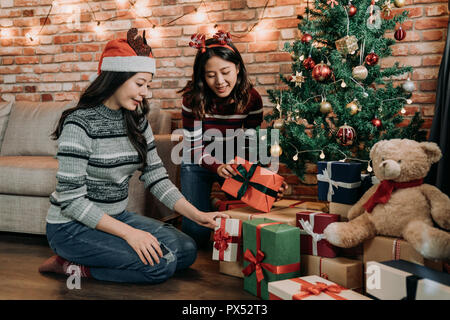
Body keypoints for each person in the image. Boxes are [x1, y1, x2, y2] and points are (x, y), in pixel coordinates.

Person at [38, 28, 229, 284]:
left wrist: (197, 215)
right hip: (71, 227)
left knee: (186, 250)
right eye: (140, 83)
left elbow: (156, 177)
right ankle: (71, 266)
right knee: (161, 264)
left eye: (148, 85)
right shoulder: (79, 123)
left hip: (116, 217)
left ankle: (104, 253)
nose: (145, 93)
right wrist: (130, 234)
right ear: (116, 77)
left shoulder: (137, 119)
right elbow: (72, 201)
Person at [179, 31, 287, 247]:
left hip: (234, 161)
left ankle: (215, 204)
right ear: (202, 76)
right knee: (196, 234)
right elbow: (193, 146)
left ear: (237, 68)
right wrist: (217, 166)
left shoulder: (251, 98)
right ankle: (209, 203)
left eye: (225, 71)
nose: (219, 81)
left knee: (252, 218)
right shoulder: (192, 98)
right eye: (210, 75)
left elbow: (254, 142)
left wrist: (266, 178)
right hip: (198, 161)